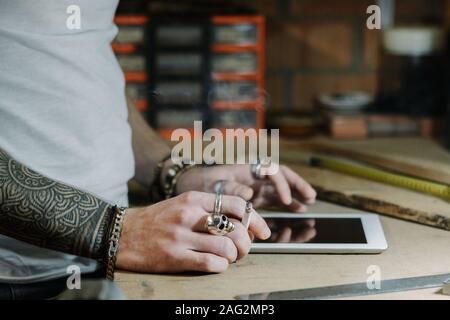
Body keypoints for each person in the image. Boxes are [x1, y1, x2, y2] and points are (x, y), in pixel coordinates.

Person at [0, 0, 316, 299]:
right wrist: (121, 232)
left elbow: (77, 57)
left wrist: (174, 171)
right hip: (14, 276)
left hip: (109, 260)